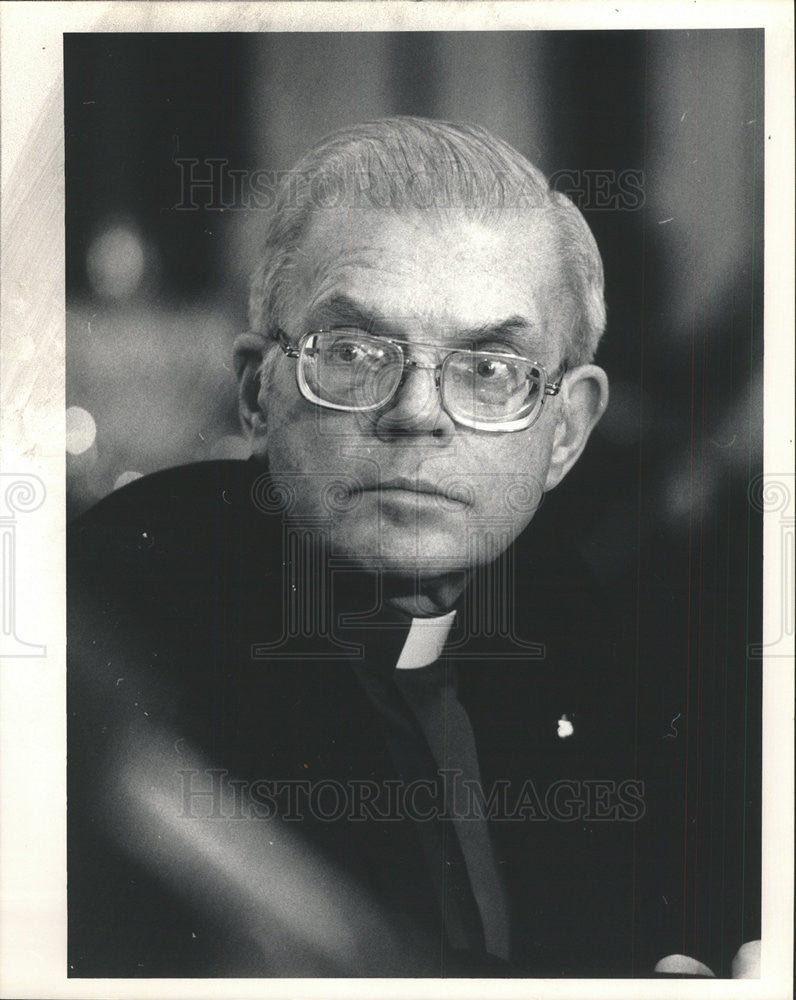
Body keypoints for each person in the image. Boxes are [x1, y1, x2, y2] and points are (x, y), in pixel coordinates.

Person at [67, 117, 759, 978]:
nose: (417, 412)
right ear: (256, 394)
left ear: (566, 432)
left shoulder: (592, 627)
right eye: (353, 352)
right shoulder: (123, 619)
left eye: (491, 369)